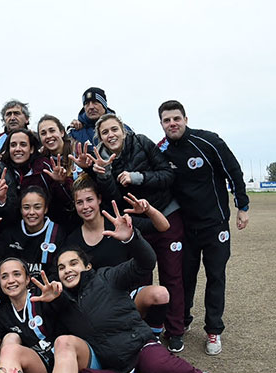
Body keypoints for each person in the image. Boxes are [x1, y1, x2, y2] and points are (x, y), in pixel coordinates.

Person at [35, 202, 215, 373]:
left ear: (87, 265)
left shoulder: (108, 277)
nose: (67, 270)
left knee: (158, 365)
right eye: (61, 268)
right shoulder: (63, 302)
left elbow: (146, 262)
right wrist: (52, 302)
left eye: (73, 263)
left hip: (141, 351)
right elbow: (54, 335)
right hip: (116, 372)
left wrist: (132, 239)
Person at [157, 100, 249, 355]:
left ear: (185, 119)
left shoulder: (208, 142)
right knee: (185, 277)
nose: (172, 124)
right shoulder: (162, 149)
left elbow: (233, 171)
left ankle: (213, 331)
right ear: (161, 124)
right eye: (166, 120)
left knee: (215, 276)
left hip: (214, 225)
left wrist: (243, 206)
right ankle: (182, 320)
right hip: (185, 227)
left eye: (176, 118)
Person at [92, 113, 185, 351]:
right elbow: (113, 197)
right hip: (136, 222)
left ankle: (175, 330)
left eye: (114, 129)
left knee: (171, 274)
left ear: (122, 129)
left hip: (164, 213)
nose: (111, 135)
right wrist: (103, 175)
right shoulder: (102, 158)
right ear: (100, 137)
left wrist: (138, 178)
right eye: (105, 132)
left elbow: (168, 175)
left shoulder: (142, 142)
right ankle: (145, 330)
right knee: (140, 277)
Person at [65, 177, 171, 332]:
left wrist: (148, 209)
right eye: (79, 202)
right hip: (98, 304)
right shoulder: (72, 240)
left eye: (89, 200)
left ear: (99, 199)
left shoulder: (119, 224)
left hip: (128, 297)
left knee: (160, 293)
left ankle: (153, 335)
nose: (85, 206)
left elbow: (163, 226)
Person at [0, 185, 66, 282]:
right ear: (20, 209)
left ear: (45, 209)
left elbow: (58, 271)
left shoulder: (57, 233)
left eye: (37, 207)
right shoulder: (10, 232)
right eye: (26, 207)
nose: (31, 212)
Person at [0, 129, 74, 224]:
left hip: (48, 226)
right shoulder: (2, 170)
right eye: (13, 145)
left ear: (31, 149)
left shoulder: (44, 167)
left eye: (23, 144)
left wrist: (62, 182)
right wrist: (1, 199)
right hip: (15, 228)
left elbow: (66, 202)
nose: (18, 149)